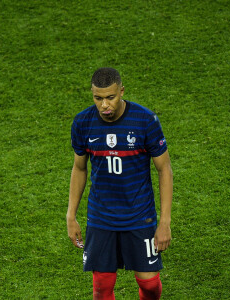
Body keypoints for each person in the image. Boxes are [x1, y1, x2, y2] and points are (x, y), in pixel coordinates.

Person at [67, 67, 173, 300]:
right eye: (98, 98)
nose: (104, 104)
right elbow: (79, 167)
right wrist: (71, 215)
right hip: (101, 217)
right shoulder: (83, 122)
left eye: (110, 97)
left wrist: (164, 222)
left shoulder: (145, 120)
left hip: (139, 215)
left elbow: (164, 169)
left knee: (150, 285)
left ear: (122, 91)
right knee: (102, 287)